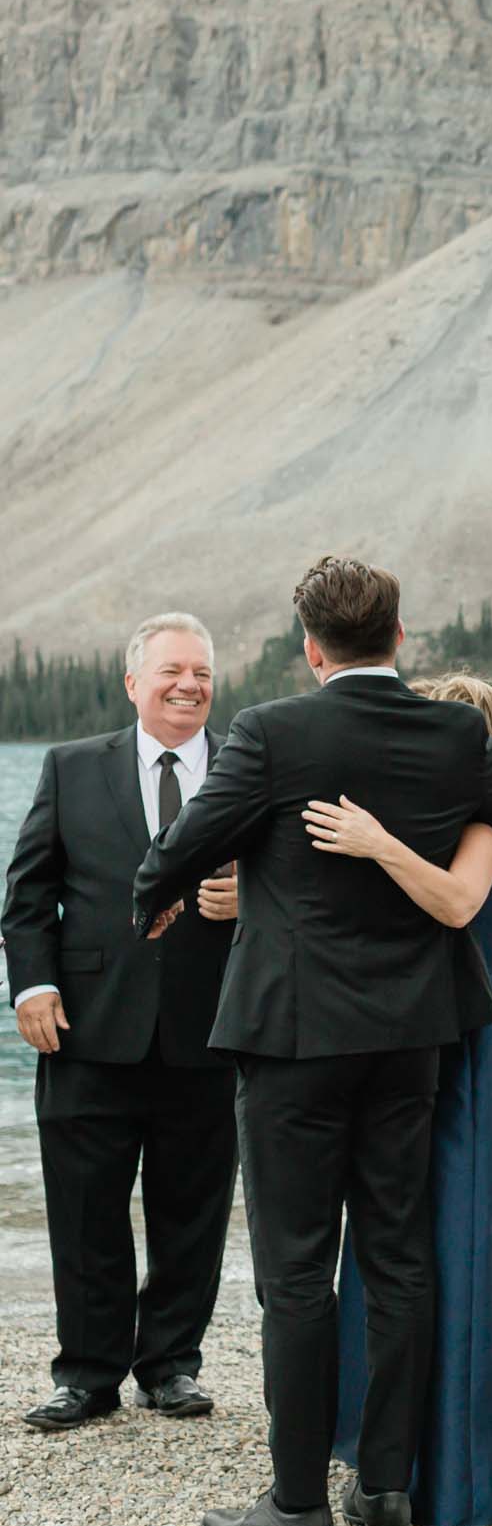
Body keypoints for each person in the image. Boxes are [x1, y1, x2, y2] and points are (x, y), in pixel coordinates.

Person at [131, 558, 492, 1526]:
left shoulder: (276, 730)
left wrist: (150, 894)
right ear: (400, 637)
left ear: (311, 647)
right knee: (398, 1261)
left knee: (295, 1275)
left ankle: (295, 1506)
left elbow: (196, 839)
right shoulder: (454, 734)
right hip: (411, 1041)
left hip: (293, 1040)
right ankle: (382, 1491)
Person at [301, 673, 492, 1526]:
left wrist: (379, 843)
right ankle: (379, 1439)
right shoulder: (430, 819)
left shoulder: (487, 822)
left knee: (468, 1243)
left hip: (473, 1047)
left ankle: (467, 1456)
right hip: (408, 1036)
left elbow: (457, 904)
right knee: (395, 1239)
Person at [2, 612, 239, 1432]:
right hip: (85, 1027)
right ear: (133, 681)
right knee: (83, 1207)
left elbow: (298, 880)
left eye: (202, 672)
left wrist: (254, 899)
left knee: (193, 1208)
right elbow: (29, 895)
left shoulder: (248, 766)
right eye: (173, 670)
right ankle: (87, 1374)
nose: (190, 685)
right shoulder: (72, 768)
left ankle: (171, 1365)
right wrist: (31, 988)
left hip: (211, 1028)